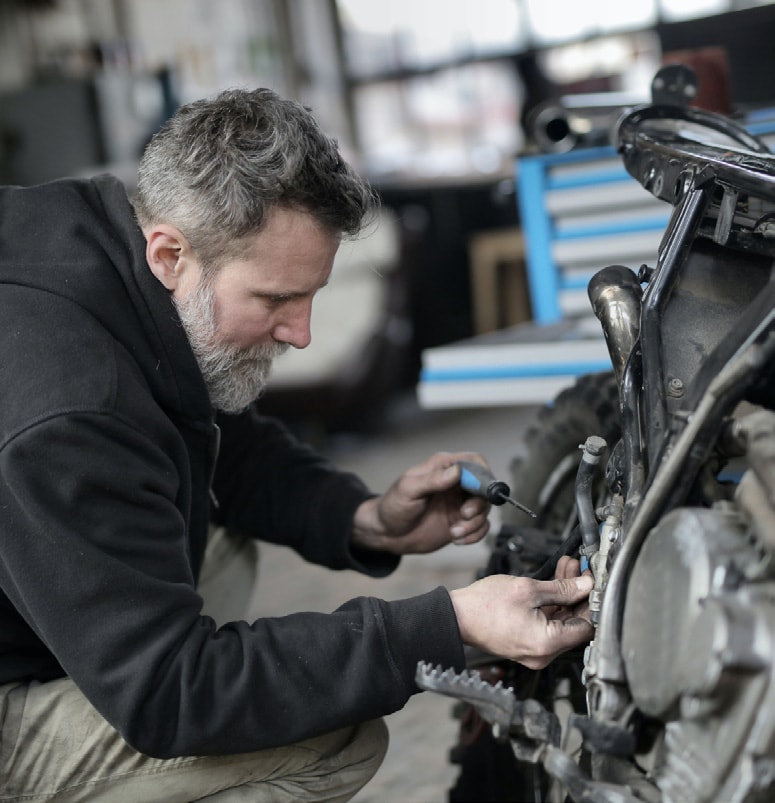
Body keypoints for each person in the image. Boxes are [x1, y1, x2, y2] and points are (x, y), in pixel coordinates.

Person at [0, 87, 593, 801]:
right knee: (331, 739)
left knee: (219, 529)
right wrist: (447, 623)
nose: (301, 333)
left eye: (309, 296)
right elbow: (171, 692)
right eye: (276, 300)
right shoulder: (72, 410)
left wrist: (366, 517)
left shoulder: (91, 242)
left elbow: (212, 434)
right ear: (169, 254)